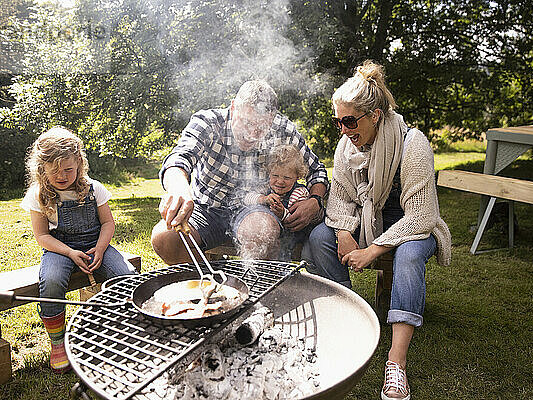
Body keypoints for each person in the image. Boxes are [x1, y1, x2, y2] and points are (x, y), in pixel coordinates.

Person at [302, 61, 451, 400]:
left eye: (350, 121)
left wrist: (372, 249)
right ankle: (347, 315)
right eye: (338, 121)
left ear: (376, 116)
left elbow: (422, 217)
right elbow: (339, 199)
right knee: (319, 238)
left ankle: (396, 364)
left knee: (411, 255)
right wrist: (342, 231)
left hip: (411, 227)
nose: (343, 130)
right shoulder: (345, 148)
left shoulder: (413, 145)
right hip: (369, 226)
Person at [151, 80, 328, 263]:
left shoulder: (283, 130)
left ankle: (260, 286)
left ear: (272, 118)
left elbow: (317, 170)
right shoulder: (209, 122)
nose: (252, 133)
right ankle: (212, 282)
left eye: (261, 128)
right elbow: (178, 159)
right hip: (206, 208)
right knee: (165, 238)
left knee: (262, 231)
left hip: (255, 208)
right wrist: (179, 188)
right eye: (246, 123)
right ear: (234, 106)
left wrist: (315, 201)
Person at [21, 127, 136, 373]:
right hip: (59, 250)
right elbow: (42, 236)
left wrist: (101, 249)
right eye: (54, 170)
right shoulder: (39, 195)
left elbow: (107, 223)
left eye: (68, 169)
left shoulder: (94, 189)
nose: (62, 175)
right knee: (51, 281)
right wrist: (70, 253)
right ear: (43, 169)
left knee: (126, 276)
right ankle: (58, 343)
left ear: (79, 163)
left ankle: (128, 329)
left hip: (96, 244)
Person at [243, 144, 317, 260]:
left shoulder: (299, 193)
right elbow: (247, 198)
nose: (280, 181)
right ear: (269, 173)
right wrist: (263, 199)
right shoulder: (266, 188)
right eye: (275, 175)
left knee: (278, 257)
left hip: (290, 239)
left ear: (297, 176)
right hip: (269, 235)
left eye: (287, 178)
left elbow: (295, 219)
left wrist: (282, 213)